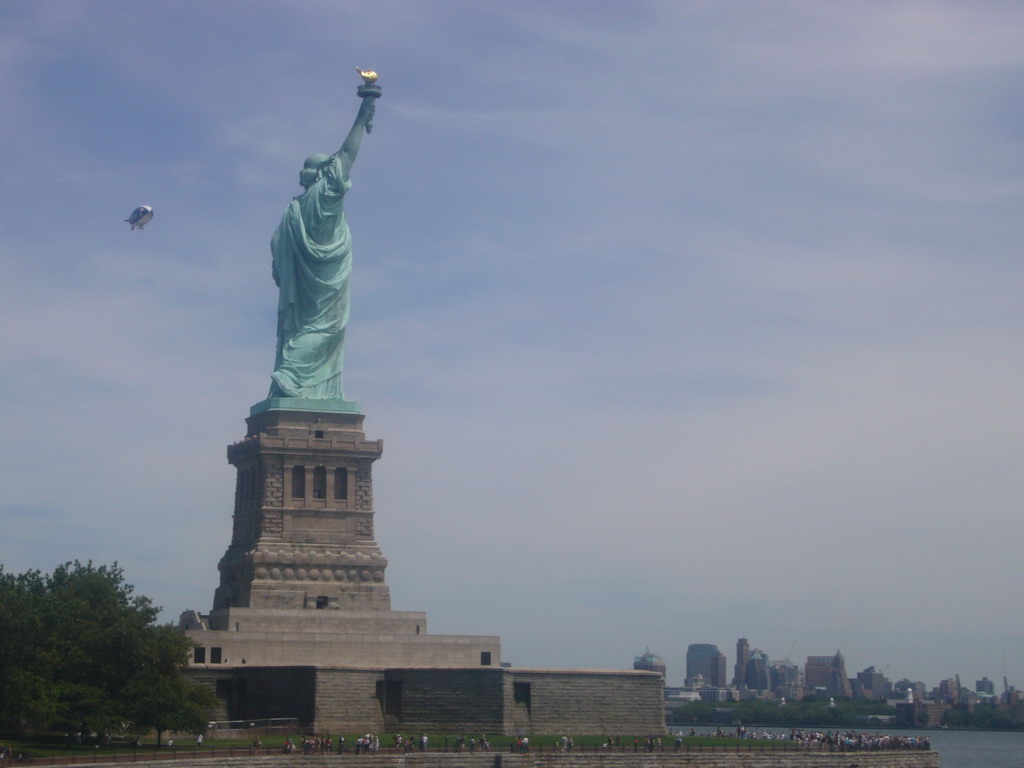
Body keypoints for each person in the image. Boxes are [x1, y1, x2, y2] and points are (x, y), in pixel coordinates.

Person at [269, 96, 377, 400]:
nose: (301, 171)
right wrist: (364, 113)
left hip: (303, 282)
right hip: (326, 279)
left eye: (306, 167)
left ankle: (293, 376)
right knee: (325, 328)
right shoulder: (317, 198)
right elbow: (347, 154)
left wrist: (361, 114)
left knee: (306, 327)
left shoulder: (305, 203)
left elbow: (346, 154)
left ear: (316, 173)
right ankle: (291, 374)